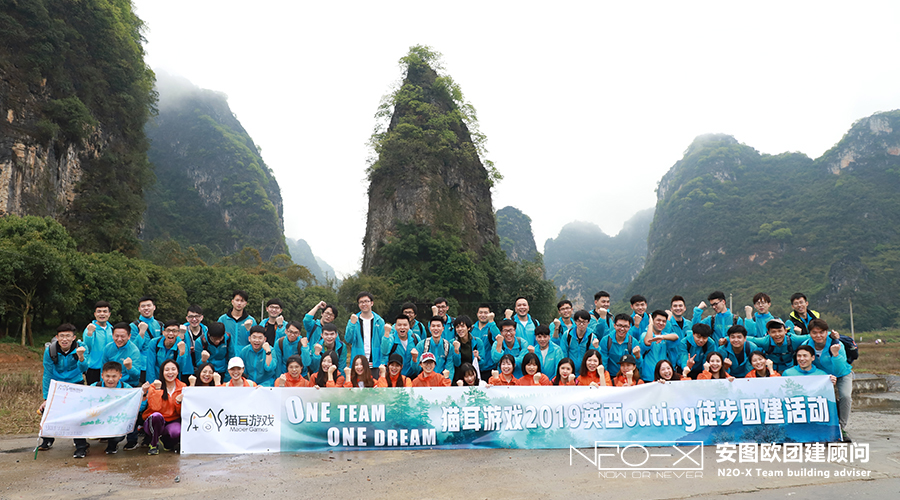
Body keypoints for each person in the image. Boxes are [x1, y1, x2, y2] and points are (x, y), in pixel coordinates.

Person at [38, 323, 89, 455]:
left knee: (77, 414)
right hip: (57, 384)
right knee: (47, 409)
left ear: (74, 337)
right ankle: (47, 439)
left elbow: (84, 369)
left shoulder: (81, 348)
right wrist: (46, 397)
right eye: (61, 336)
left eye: (68, 336)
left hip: (76, 383)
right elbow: (47, 373)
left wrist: (81, 357)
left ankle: (81, 445)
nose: (64, 339)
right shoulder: (50, 351)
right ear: (57, 337)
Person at [802, 318, 852, 440]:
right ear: (810, 333)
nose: (818, 335)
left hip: (842, 374)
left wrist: (835, 355)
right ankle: (820, 426)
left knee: (845, 396)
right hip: (822, 376)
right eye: (814, 332)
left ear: (827, 332)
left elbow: (840, 369)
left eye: (821, 332)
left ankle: (840, 427)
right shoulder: (806, 345)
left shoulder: (836, 344)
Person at [140, 359, 184, 455]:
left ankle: (166, 442)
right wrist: (158, 390)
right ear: (162, 372)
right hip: (155, 420)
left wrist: (178, 402)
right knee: (156, 416)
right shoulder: (153, 386)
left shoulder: (182, 387)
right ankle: (153, 443)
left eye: (173, 369)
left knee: (176, 432)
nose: (170, 372)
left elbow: (182, 413)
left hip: (172, 420)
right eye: (167, 370)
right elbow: (155, 408)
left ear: (177, 371)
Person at [90, 361, 133, 454]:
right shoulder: (94, 387)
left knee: (133, 418)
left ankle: (113, 445)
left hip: (116, 421)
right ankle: (80, 447)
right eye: (107, 376)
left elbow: (138, 406)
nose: (110, 379)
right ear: (102, 375)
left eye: (114, 376)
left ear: (120, 376)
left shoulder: (126, 388)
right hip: (98, 419)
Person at [745, 318, 809, 374]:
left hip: (789, 370)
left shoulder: (793, 340)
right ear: (769, 333)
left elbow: (810, 336)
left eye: (780, 331)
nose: (777, 334)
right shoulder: (765, 341)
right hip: (771, 369)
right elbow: (750, 339)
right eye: (773, 332)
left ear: (785, 331)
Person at [345, 291, 386, 369]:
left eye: (366, 301)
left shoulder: (379, 321)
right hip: (358, 364)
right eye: (361, 302)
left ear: (372, 303)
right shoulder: (354, 320)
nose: (364, 304)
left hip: (375, 363)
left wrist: (383, 362)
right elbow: (348, 339)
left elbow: (383, 344)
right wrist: (352, 324)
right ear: (358, 305)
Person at [144, 320, 190, 385]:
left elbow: (180, 369)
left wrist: (181, 354)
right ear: (163, 332)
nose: (171, 333)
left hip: (172, 380)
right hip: (157, 378)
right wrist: (152, 385)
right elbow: (150, 366)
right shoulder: (154, 343)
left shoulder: (182, 345)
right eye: (168, 330)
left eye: (174, 331)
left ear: (178, 333)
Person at [638, 310, 680, 382]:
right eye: (658, 320)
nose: (661, 323)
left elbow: (676, 337)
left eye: (664, 321)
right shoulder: (645, 334)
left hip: (664, 376)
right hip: (649, 376)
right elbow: (648, 342)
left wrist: (662, 337)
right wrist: (650, 324)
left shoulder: (665, 336)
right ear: (652, 320)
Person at [131, 296, 163, 383]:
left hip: (157, 365)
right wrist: (141, 332)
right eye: (143, 306)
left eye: (149, 305)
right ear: (139, 309)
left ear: (154, 307)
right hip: (142, 366)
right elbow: (133, 348)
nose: (146, 308)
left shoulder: (160, 325)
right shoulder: (134, 326)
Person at [412, 316, 455, 380]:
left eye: (438, 326)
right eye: (433, 326)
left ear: (443, 328)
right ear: (430, 328)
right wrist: (414, 359)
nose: (436, 328)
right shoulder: (422, 345)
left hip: (441, 382)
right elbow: (416, 369)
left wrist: (446, 383)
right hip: (425, 381)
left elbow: (449, 368)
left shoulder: (448, 346)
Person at [599, 314, 641, 378]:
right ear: (614, 325)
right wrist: (606, 378)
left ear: (629, 327)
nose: (622, 329)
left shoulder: (633, 342)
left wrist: (638, 356)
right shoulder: (606, 340)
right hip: (611, 376)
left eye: (625, 326)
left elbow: (638, 365)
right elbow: (604, 362)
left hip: (628, 376)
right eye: (619, 325)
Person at [101, 322, 142, 388]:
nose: (119, 339)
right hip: (110, 383)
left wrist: (130, 368)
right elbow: (103, 368)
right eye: (116, 336)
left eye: (122, 336)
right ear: (112, 335)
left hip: (128, 385)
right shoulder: (108, 348)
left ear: (129, 336)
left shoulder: (134, 351)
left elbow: (137, 376)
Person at [82, 301, 113, 385]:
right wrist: (89, 334)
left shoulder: (112, 329)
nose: (102, 314)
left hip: (109, 367)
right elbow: (87, 347)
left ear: (109, 314)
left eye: (105, 311)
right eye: (99, 311)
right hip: (94, 367)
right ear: (95, 314)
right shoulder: (90, 329)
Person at [451, 315, 484, 384]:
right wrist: (456, 351)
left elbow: (483, 364)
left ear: (468, 328)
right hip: (458, 378)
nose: (460, 329)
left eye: (462, 326)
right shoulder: (452, 343)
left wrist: (478, 357)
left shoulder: (477, 341)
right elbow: (456, 364)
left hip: (473, 377)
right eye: (457, 327)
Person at [472, 304, 499, 383]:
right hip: (474, 368)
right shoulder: (472, 328)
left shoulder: (492, 328)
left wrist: (492, 321)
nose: (483, 315)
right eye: (481, 312)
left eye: (486, 313)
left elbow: (499, 338)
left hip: (489, 368)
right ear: (477, 314)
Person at [181, 305, 207, 382]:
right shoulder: (181, 331)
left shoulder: (207, 331)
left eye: (197, 316)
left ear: (201, 317)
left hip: (203, 369)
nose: (194, 319)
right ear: (187, 318)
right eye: (191, 317)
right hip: (186, 368)